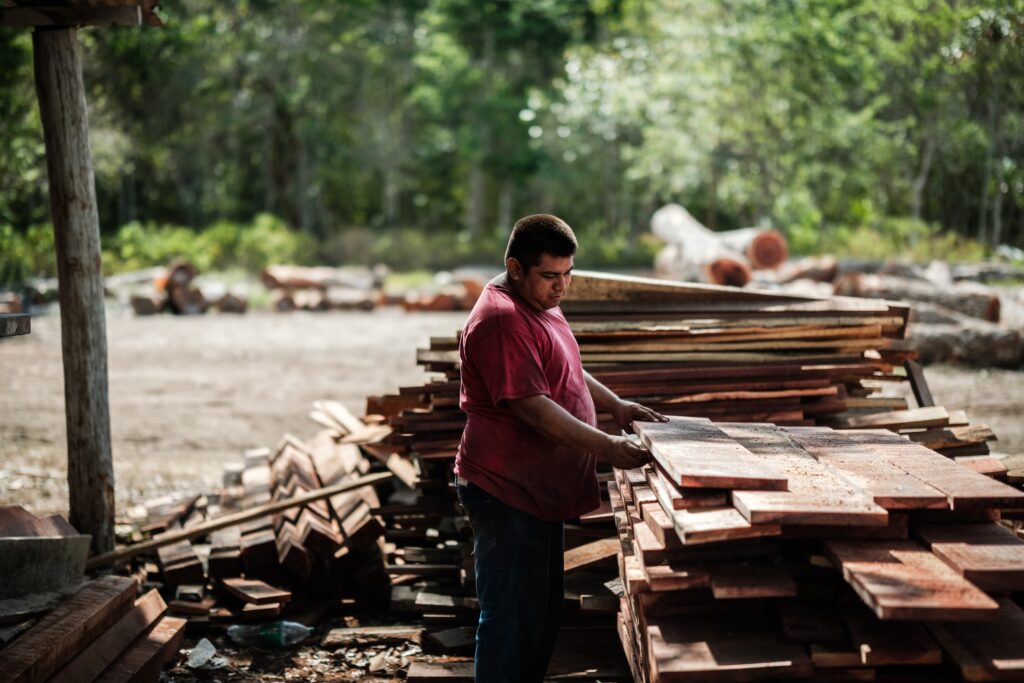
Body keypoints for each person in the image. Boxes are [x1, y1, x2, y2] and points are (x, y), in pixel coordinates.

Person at [453, 213, 667, 682]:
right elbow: (533, 408)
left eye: (568, 275)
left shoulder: (538, 300)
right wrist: (609, 448)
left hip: (536, 489)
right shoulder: (502, 321)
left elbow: (564, 367)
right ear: (515, 267)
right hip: (505, 490)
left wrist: (615, 405)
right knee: (511, 622)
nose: (561, 287)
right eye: (551, 276)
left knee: (540, 615)